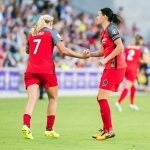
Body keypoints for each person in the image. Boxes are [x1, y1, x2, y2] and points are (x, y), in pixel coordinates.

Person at [22, 14, 89, 140]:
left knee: (32, 98)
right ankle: (49, 129)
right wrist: (81, 56)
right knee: (53, 98)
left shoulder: (32, 34)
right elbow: (63, 51)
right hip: (46, 70)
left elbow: (27, 50)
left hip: (31, 70)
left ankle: (26, 125)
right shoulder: (52, 33)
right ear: (51, 22)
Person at [83, 8, 126, 140]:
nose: (96, 17)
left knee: (102, 98)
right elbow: (102, 52)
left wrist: (106, 60)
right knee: (100, 98)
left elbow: (120, 47)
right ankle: (106, 129)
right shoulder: (103, 32)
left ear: (105, 17)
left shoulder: (112, 29)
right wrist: (90, 54)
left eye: (98, 15)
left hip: (115, 67)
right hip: (110, 67)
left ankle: (109, 130)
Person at [115, 35, 149, 112]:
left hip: (126, 67)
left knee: (135, 85)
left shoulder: (128, 47)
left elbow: (124, 54)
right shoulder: (142, 49)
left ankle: (132, 104)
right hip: (133, 69)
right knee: (128, 86)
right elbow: (146, 61)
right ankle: (118, 102)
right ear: (140, 41)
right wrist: (139, 60)